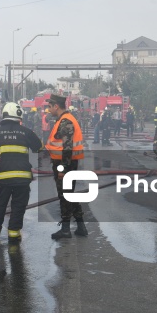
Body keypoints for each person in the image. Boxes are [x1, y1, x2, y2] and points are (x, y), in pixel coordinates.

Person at [0, 102, 43, 242]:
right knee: (18, 206)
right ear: (18, 116)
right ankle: (14, 235)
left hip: (4, 178)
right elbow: (39, 147)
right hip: (23, 178)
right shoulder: (26, 131)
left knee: (0, 204)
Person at [44, 94, 87, 239]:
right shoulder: (63, 120)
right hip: (65, 163)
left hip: (65, 164)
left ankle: (66, 229)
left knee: (65, 196)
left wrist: (63, 168)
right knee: (69, 194)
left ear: (56, 106)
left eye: (50, 107)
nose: (48, 110)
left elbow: (67, 147)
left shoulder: (66, 121)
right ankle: (81, 227)